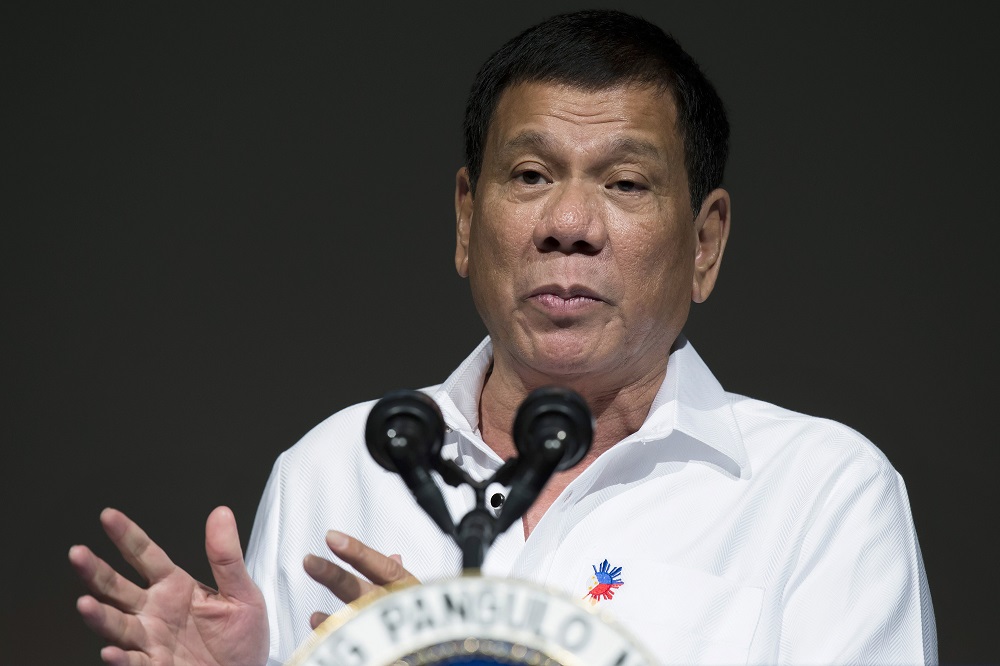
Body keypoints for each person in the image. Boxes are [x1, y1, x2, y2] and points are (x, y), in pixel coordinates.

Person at [69, 10, 937, 665]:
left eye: (626, 184)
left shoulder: (824, 495)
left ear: (704, 243)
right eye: (529, 175)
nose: (569, 224)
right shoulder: (335, 471)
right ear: (464, 219)